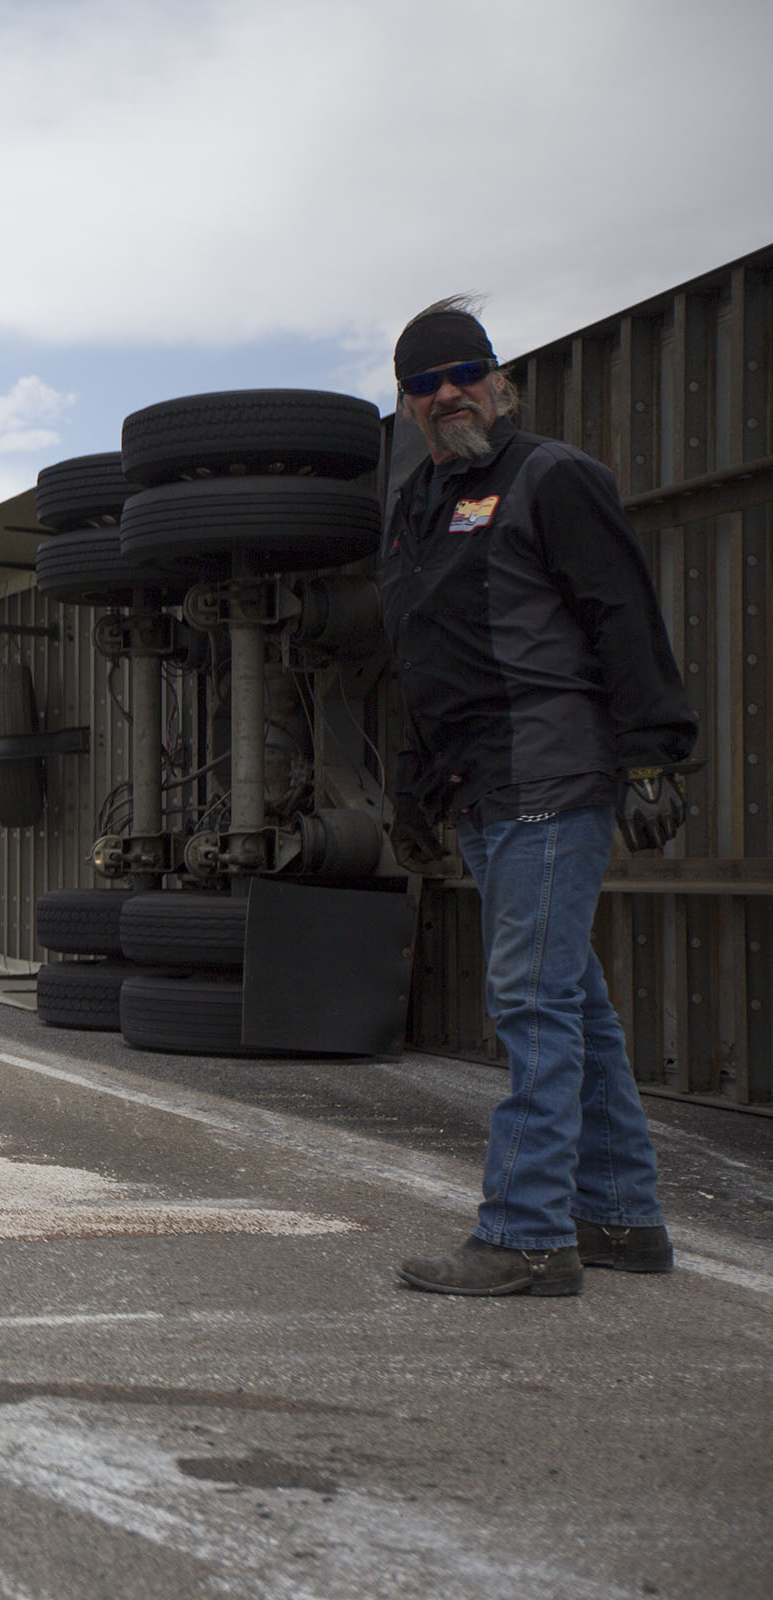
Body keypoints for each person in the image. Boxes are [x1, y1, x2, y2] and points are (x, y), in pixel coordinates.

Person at [380, 297, 696, 1297]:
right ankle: (621, 1216)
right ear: (407, 402)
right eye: (425, 383)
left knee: (530, 1002)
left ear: (499, 378)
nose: (448, 394)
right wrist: (412, 791)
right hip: (477, 791)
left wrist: (651, 756)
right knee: (574, 1007)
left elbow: (623, 618)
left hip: (549, 780)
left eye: (464, 372)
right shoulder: (418, 511)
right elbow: (422, 660)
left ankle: (526, 1233)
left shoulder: (551, 479)